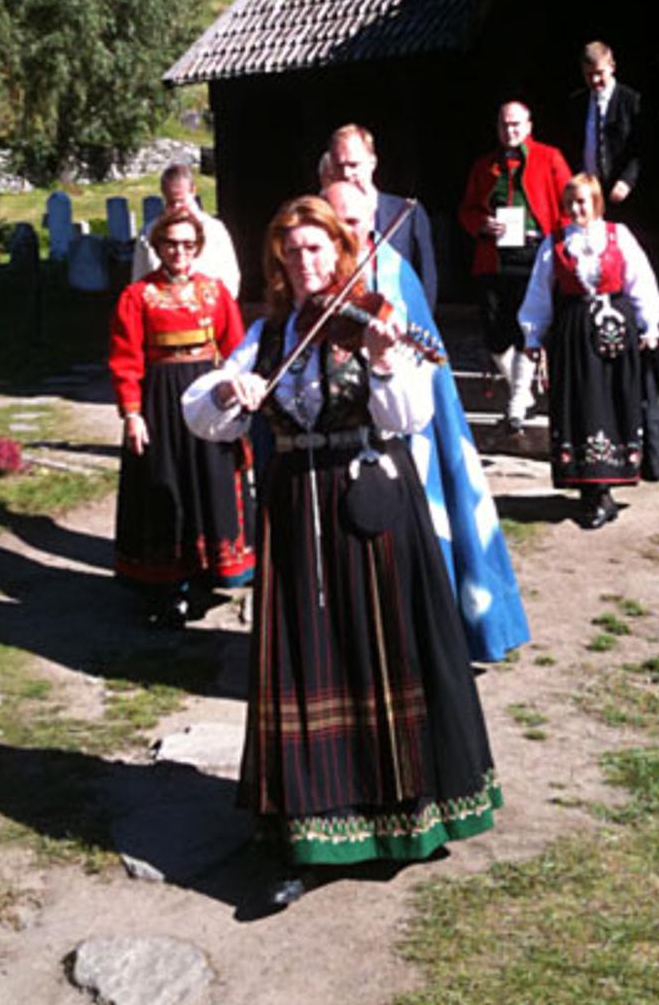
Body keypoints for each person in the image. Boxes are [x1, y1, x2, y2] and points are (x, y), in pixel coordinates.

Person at [182, 196, 500, 903]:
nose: (305, 262)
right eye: (292, 251)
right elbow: (202, 413)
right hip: (296, 510)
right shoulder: (269, 334)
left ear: (340, 252)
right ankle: (310, 838)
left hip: (372, 502)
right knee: (307, 663)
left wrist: (385, 365)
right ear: (278, 261)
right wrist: (232, 389)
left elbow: (410, 415)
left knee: (385, 654)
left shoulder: (373, 323)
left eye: (316, 249)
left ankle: (406, 819)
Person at [323, 179, 530, 663]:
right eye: (335, 224)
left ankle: (429, 639)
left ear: (371, 220)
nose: (345, 233)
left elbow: (426, 353)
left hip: (402, 432)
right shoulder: (313, 276)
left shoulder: (394, 271)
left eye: (353, 222)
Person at [110, 206, 255, 624]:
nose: (180, 252)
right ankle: (168, 584)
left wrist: (237, 398)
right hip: (160, 401)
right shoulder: (136, 296)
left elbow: (238, 350)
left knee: (212, 480)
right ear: (158, 247)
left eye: (188, 245)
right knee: (166, 483)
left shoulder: (216, 292)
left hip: (208, 395)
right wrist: (132, 414)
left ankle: (212, 573)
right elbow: (126, 360)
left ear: (198, 248)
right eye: (171, 244)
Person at [518, 173, 659, 529]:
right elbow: (539, 292)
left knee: (614, 404)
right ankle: (591, 492)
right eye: (570, 202)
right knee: (581, 406)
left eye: (582, 201)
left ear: (596, 202)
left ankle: (605, 489)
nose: (576, 209)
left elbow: (640, 280)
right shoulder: (555, 243)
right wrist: (533, 336)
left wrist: (650, 324)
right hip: (573, 336)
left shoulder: (618, 236)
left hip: (617, 335)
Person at [458, 101, 571, 432]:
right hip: (493, 254)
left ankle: (518, 399)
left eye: (516, 124)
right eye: (505, 125)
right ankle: (522, 392)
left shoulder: (550, 158)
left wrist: (560, 242)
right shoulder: (484, 165)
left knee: (528, 327)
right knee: (494, 330)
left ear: (529, 125)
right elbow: (467, 210)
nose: (511, 131)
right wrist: (482, 224)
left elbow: (568, 203)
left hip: (535, 252)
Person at [327, 123, 437, 310]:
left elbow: (426, 280)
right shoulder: (324, 214)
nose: (346, 174)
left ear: (372, 162)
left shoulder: (407, 213)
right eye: (339, 166)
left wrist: (420, 321)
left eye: (353, 165)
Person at [132, 163, 241, 298]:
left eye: (181, 201)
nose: (177, 207)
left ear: (193, 190)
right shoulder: (149, 233)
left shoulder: (215, 231)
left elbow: (230, 280)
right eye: (171, 202)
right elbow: (139, 281)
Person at [576, 40, 641, 208]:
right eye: (589, 75)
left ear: (612, 67)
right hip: (587, 194)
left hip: (621, 192)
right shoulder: (577, 102)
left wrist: (627, 179)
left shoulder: (631, 101)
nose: (595, 80)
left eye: (599, 73)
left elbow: (641, 146)